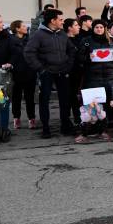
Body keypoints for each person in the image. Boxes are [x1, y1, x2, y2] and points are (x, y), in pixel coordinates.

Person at [24, 9, 77, 138]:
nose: (62, 22)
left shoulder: (62, 34)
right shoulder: (38, 35)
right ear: (52, 21)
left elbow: (71, 50)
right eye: (60, 19)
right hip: (46, 73)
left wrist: (68, 66)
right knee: (44, 100)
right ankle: (46, 128)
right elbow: (29, 53)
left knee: (65, 100)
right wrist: (41, 69)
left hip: (62, 72)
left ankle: (65, 126)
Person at [9, 20, 37, 130]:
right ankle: (16, 119)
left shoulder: (30, 39)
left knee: (30, 97)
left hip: (30, 72)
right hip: (16, 72)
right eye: (23, 26)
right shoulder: (10, 40)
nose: (26, 28)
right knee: (16, 98)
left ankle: (32, 119)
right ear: (17, 28)